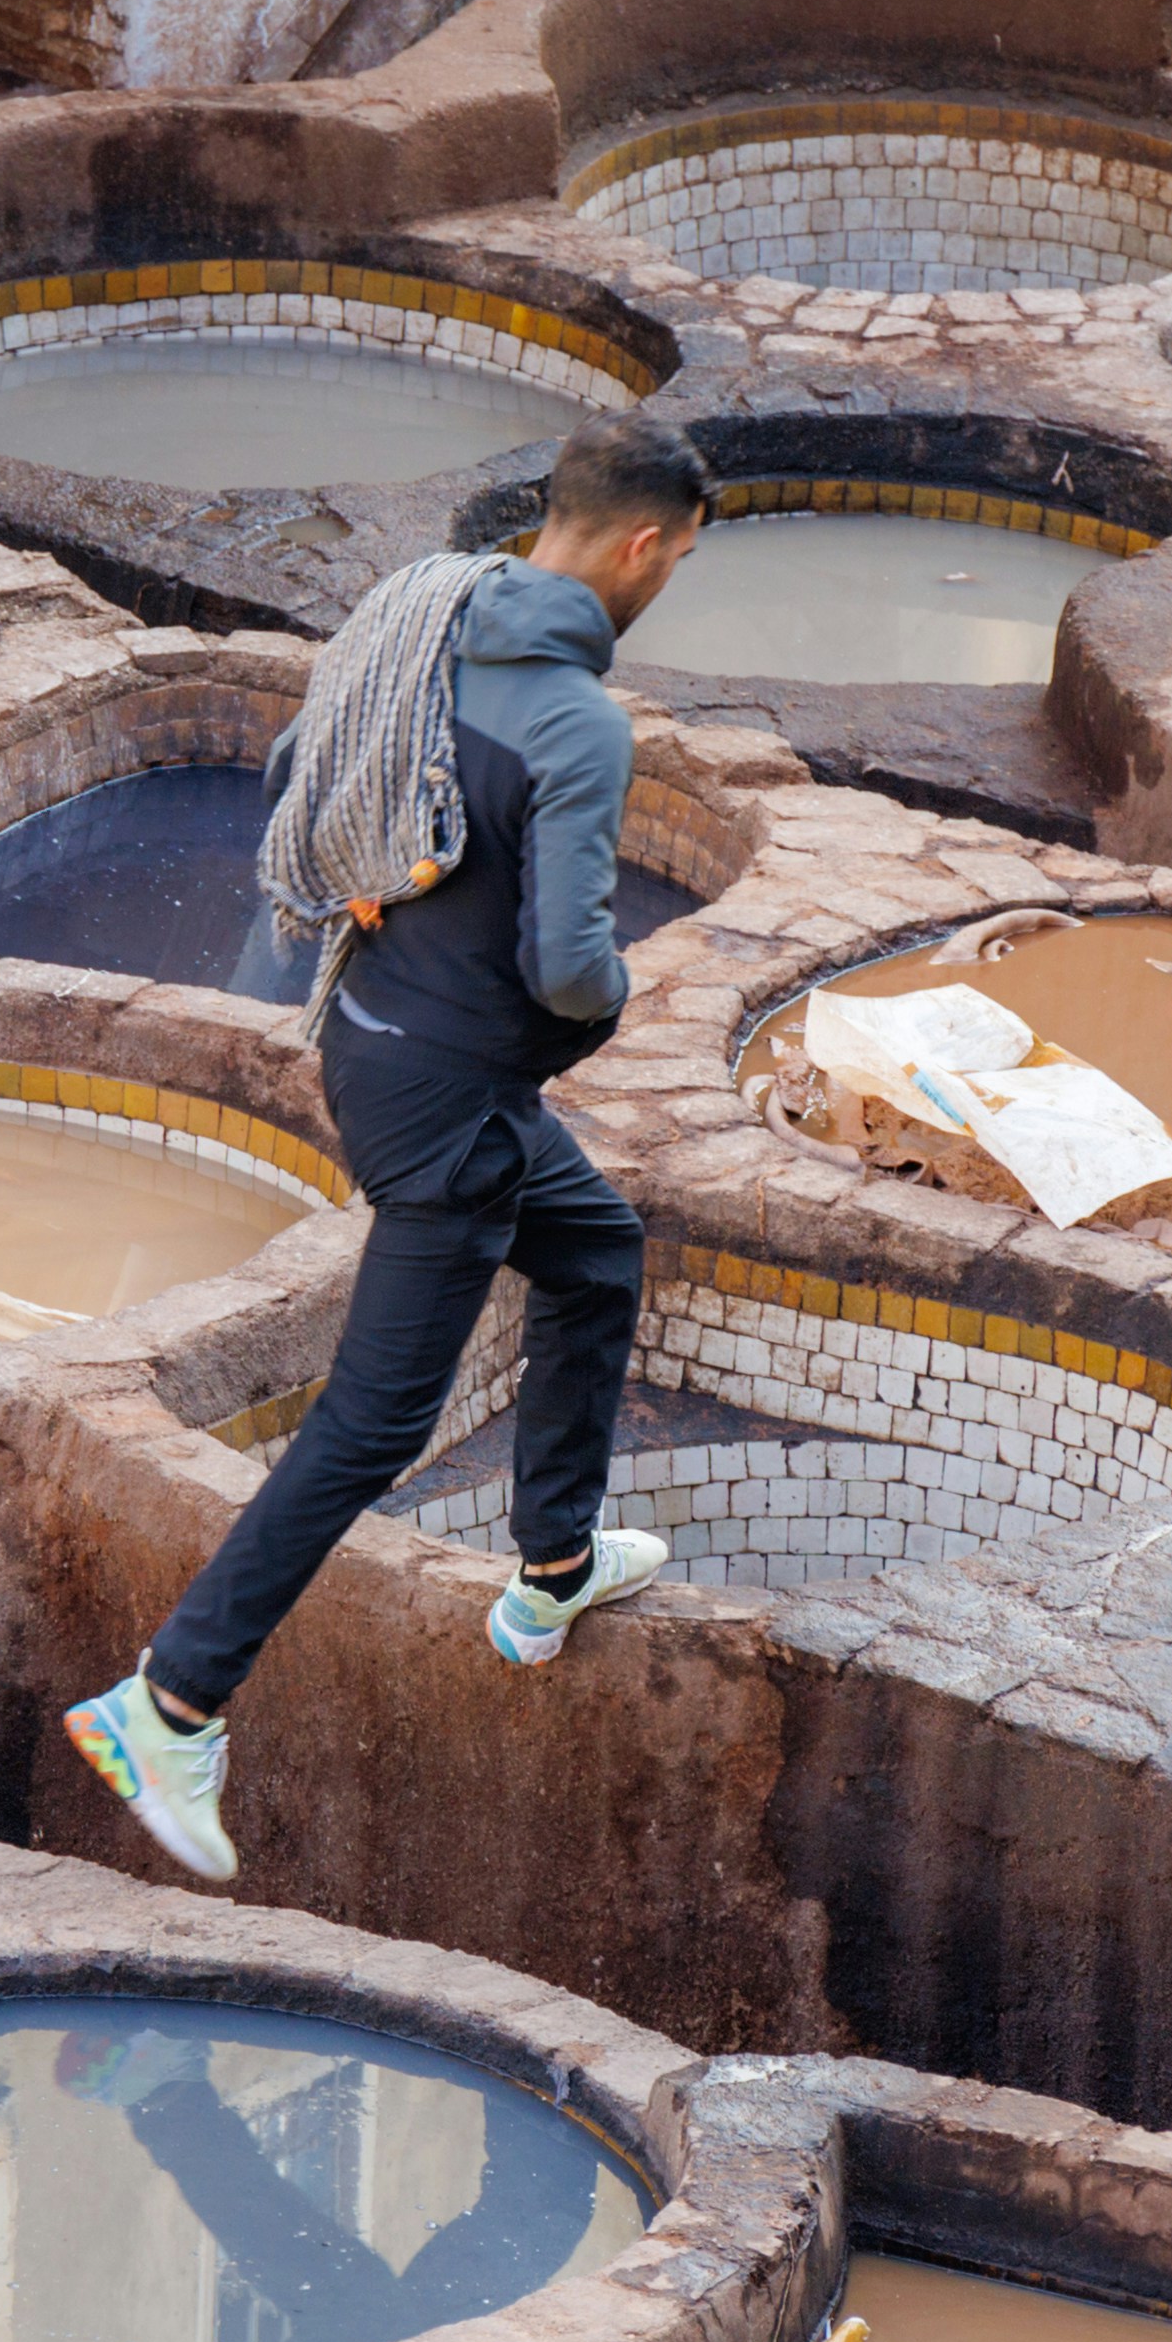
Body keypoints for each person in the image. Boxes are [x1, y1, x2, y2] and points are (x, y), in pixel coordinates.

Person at [60, 416, 713, 1882]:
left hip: (372, 1037)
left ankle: (551, 1572)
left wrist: (386, 882)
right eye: (675, 558)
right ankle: (168, 1700)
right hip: (454, 1106)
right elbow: (563, 966)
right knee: (369, 1424)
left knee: (596, 1249)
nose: (666, 578)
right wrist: (610, 995)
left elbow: (304, 760)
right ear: (637, 545)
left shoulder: (417, 608)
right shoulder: (575, 724)